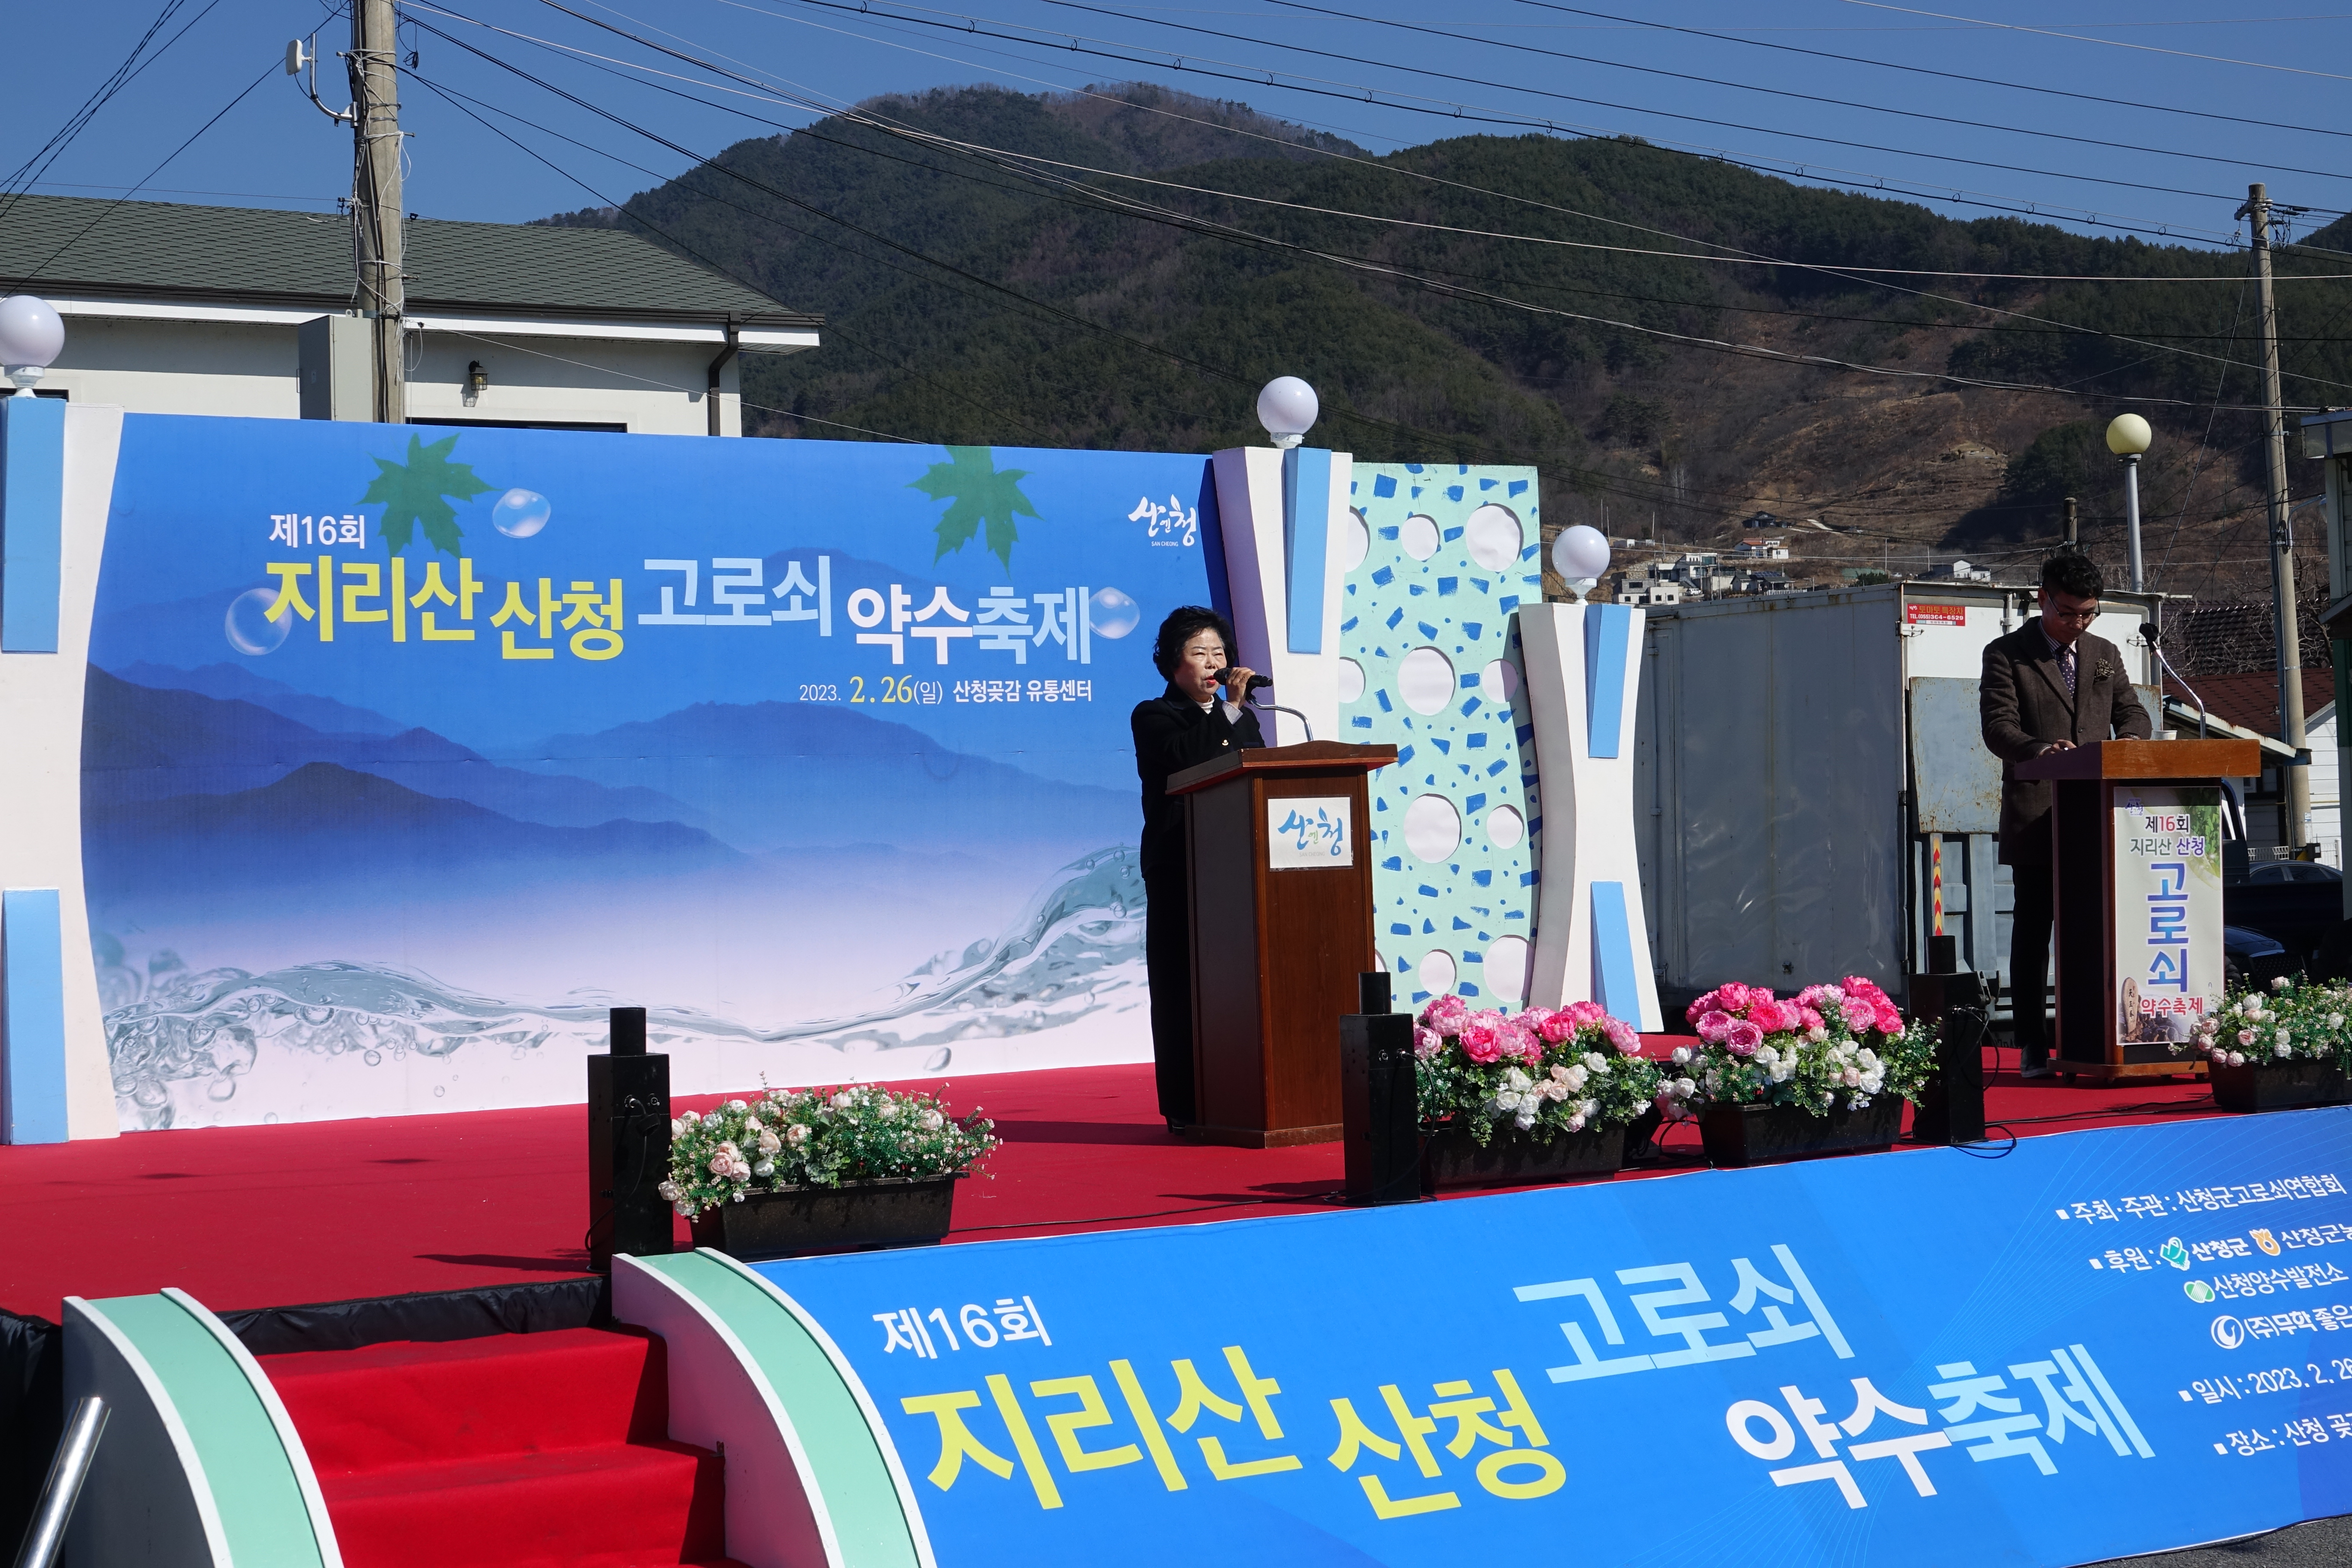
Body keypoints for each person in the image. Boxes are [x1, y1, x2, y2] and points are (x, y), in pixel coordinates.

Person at [1980, 553, 2152, 1077]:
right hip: (2037, 815)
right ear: (2043, 599)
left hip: (2100, 817)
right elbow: (1997, 727)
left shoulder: (2104, 653)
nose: (2078, 624)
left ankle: (2094, 1037)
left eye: (2089, 614)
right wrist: (2038, 750)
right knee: (2034, 935)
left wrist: (2130, 745)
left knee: (2099, 931)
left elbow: (2134, 714)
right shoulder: (2007, 654)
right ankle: (2033, 1041)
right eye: (2069, 613)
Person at [1132, 606, 1265, 1131]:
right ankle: (1186, 1108)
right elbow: (1186, 760)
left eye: (1220, 652)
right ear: (1171, 664)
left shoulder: (1241, 715)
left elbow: (1258, 774)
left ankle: (1243, 1098)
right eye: (1200, 653)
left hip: (1238, 868)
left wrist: (1233, 713)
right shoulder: (1154, 715)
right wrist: (1228, 710)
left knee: (1238, 986)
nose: (1215, 662)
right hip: (1180, 866)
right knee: (1181, 985)